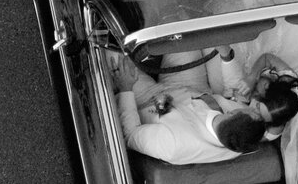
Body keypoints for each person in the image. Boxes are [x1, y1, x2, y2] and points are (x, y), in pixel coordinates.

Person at [113, 55, 267, 164]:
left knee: (109, 54)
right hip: (192, 86)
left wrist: (125, 89)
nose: (252, 107)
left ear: (231, 114)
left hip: (147, 99)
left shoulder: (173, 144)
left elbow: (131, 134)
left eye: (252, 110)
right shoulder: (242, 137)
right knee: (181, 25)